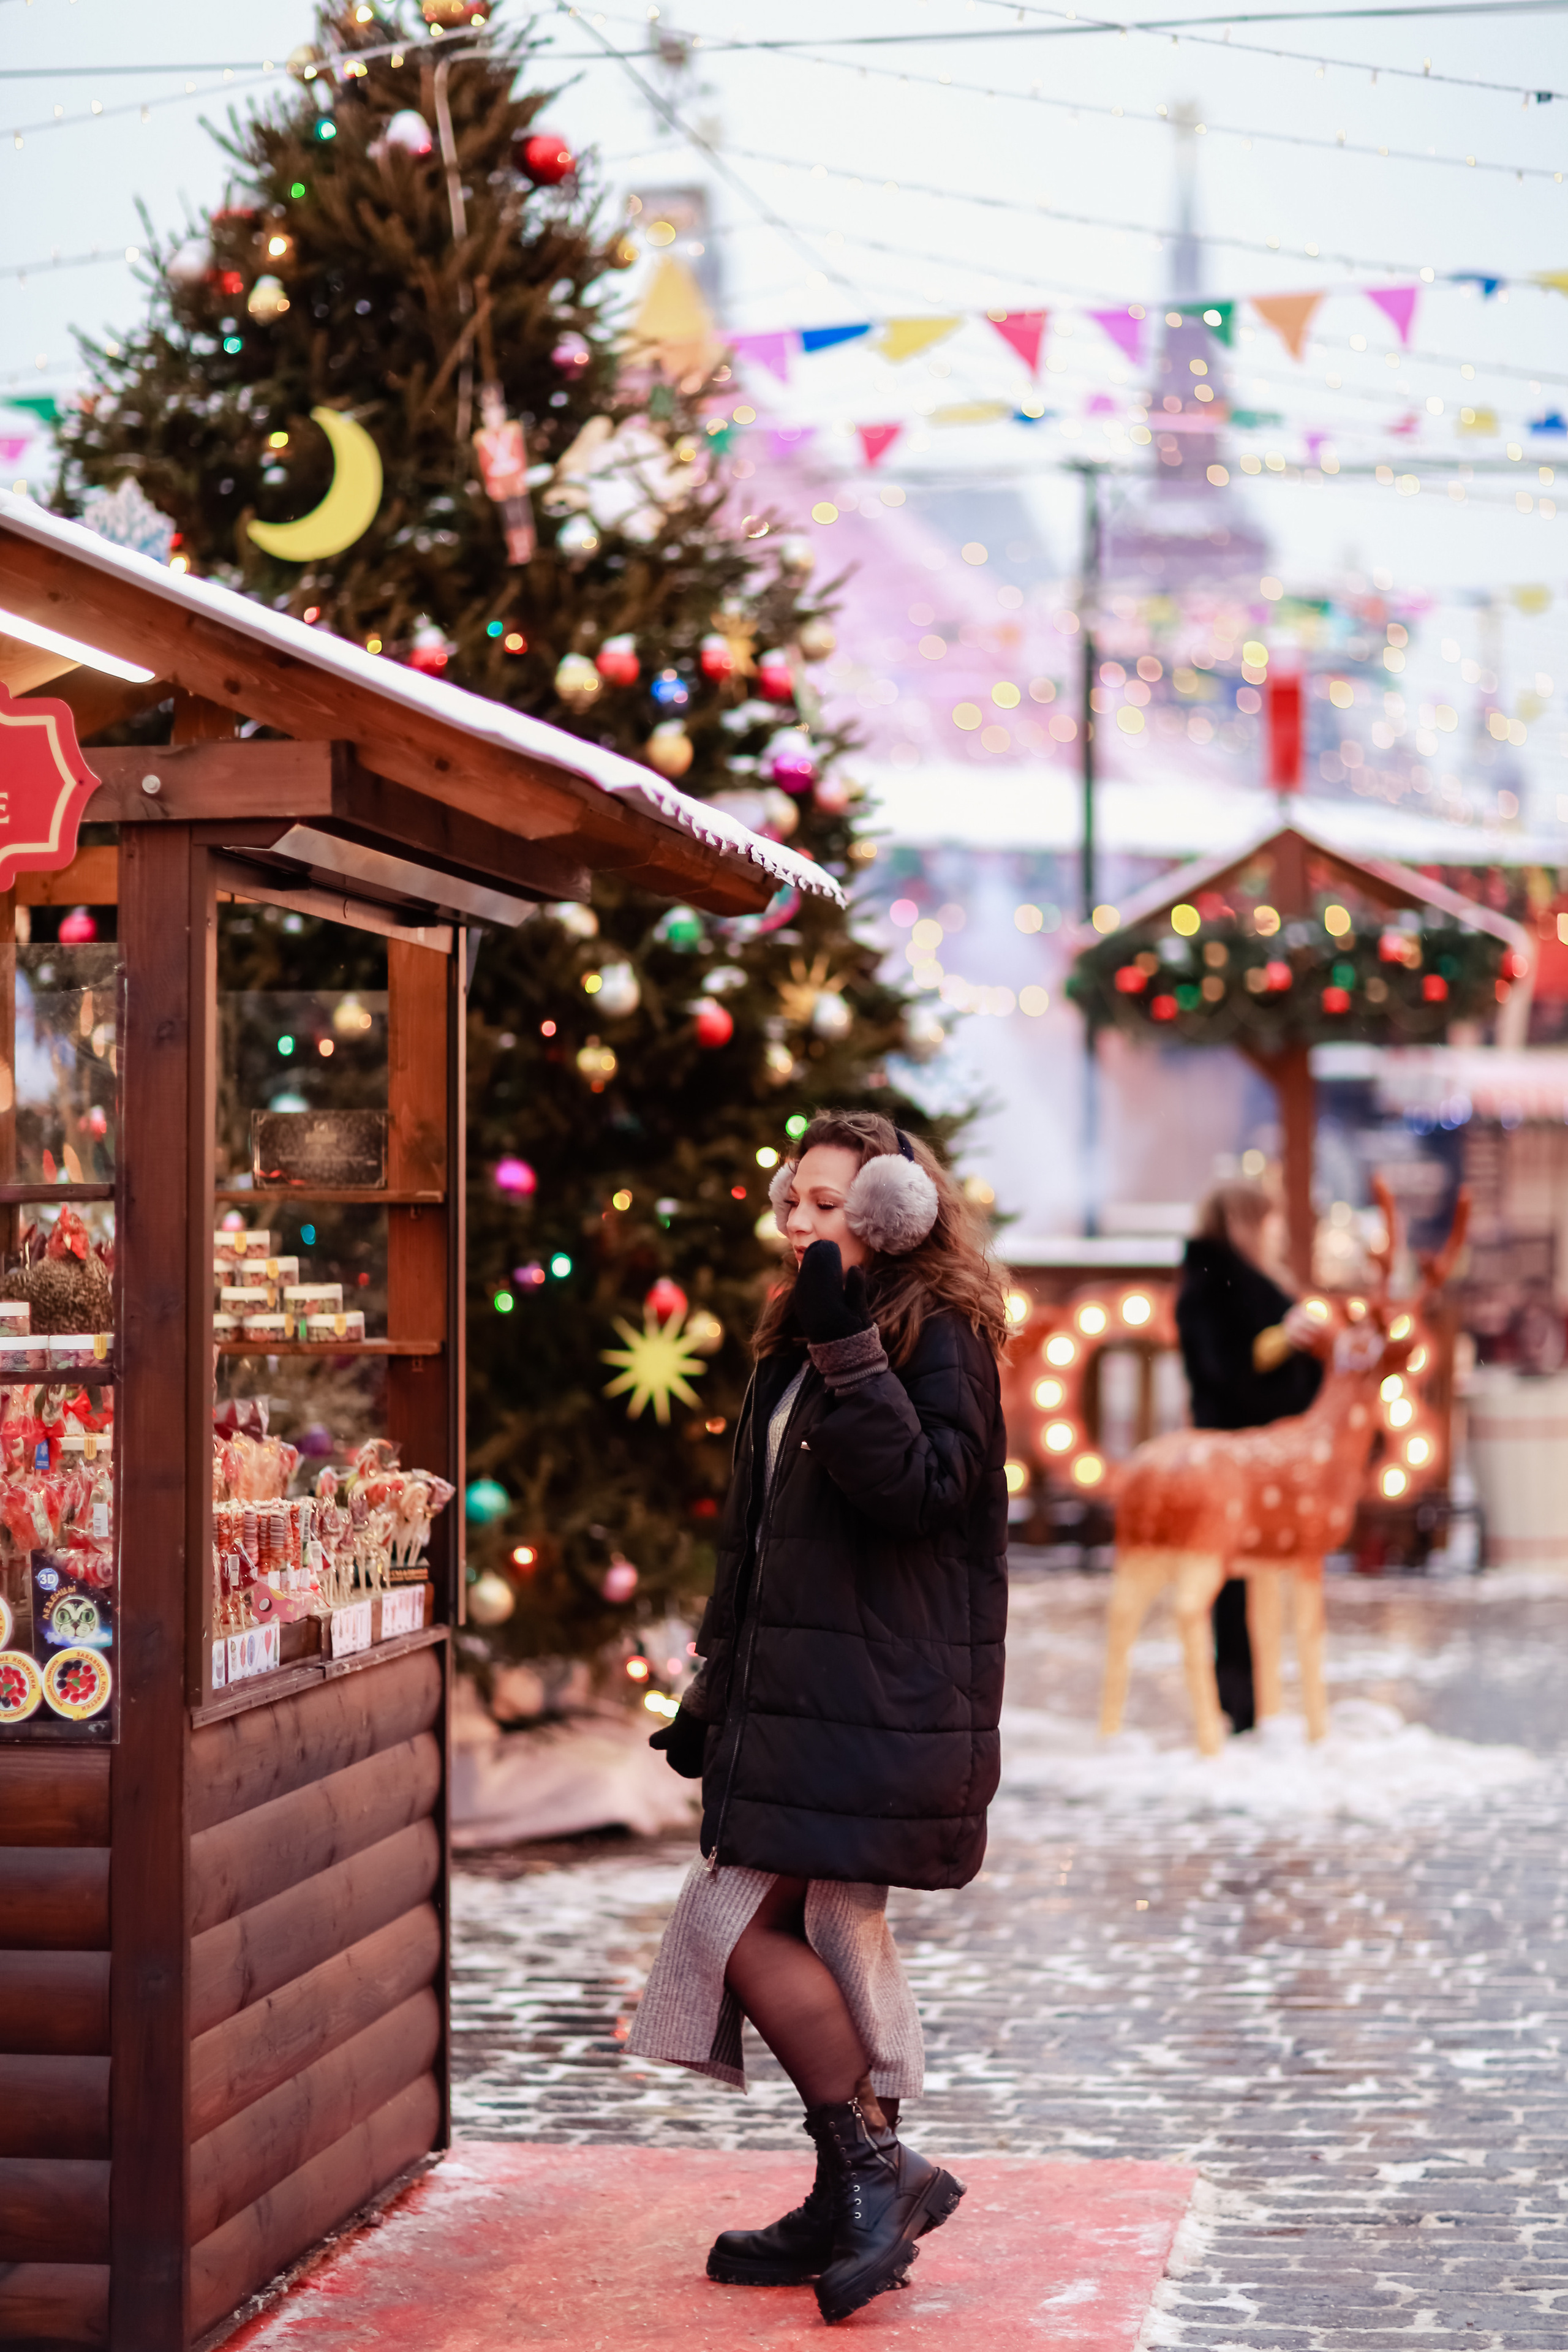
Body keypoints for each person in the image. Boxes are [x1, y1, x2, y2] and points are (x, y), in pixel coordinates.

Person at [627, 1110, 1009, 2326]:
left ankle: (868, 2168)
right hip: (794, 1694)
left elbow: (922, 1496)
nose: (801, 1223)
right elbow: (758, 1539)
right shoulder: (791, 1336)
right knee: (832, 1929)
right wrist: (715, 1679)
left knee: (726, 1920)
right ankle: (846, 2187)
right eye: (792, 1199)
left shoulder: (935, 1334)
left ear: (895, 1214)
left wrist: (850, 1346)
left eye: (829, 1203)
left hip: (875, 1701)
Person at [1175, 1176, 1324, 1733]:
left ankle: (1260, 1701)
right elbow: (1226, 1369)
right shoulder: (1214, 1287)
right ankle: (1236, 1704)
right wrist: (1280, 1341)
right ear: (1244, 1222)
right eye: (1266, 1220)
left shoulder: (1250, 1282)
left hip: (1260, 1454)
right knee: (1231, 1582)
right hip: (1231, 1454)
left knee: (1254, 1581)